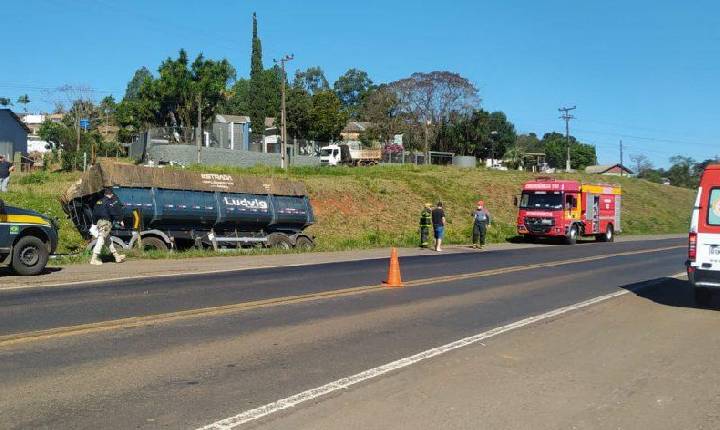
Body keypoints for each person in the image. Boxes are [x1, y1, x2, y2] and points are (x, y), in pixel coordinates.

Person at [90, 187, 126, 265]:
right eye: (112, 194)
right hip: (106, 223)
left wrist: (94, 223)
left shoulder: (99, 202)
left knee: (109, 241)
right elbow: (113, 212)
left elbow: (94, 213)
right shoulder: (109, 202)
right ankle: (94, 259)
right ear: (110, 194)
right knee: (101, 240)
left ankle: (117, 257)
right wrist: (120, 220)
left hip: (100, 222)